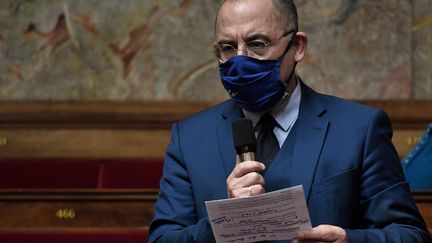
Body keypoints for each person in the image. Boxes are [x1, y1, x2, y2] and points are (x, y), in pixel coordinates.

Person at [149, 0, 430, 242]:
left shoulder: (360, 129)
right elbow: (163, 239)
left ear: (297, 47)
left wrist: (351, 240)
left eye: (258, 44)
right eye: (227, 48)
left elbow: (410, 233)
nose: (240, 61)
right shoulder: (190, 138)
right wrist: (223, 223)